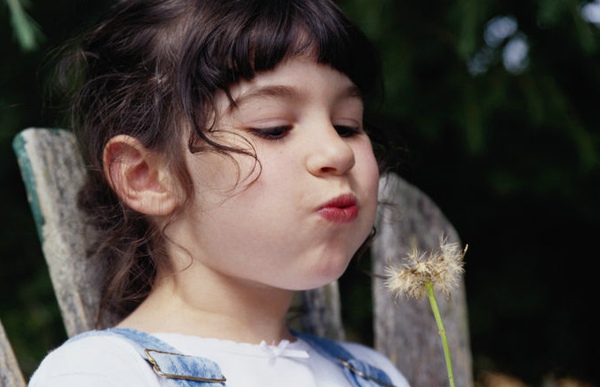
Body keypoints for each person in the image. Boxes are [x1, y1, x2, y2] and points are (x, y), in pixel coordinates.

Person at [30, 0, 410, 386]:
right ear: (146, 177)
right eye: (273, 127)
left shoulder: (375, 374)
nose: (338, 152)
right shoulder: (102, 373)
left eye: (347, 125)